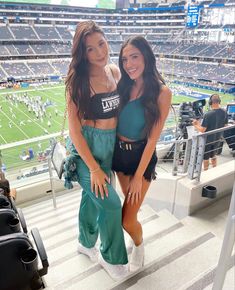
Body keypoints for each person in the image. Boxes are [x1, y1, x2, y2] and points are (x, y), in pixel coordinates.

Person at [64, 21, 128, 281]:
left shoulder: (113, 71)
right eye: (91, 49)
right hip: (85, 152)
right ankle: (111, 257)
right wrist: (92, 168)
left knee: (93, 199)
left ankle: (85, 241)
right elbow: (75, 132)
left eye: (101, 43)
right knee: (111, 204)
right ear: (83, 54)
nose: (100, 52)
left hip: (109, 145)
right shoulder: (77, 84)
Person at [112, 36, 172, 271]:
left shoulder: (162, 92)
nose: (129, 64)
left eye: (134, 56)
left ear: (146, 56)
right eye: (125, 59)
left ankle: (139, 244)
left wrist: (139, 176)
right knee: (128, 206)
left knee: (126, 218)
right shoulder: (123, 85)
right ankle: (133, 234)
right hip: (119, 155)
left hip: (141, 157)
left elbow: (153, 139)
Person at [192, 94, 228, 170]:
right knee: (214, 155)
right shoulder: (224, 112)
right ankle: (215, 170)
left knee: (206, 158)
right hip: (217, 139)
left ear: (210, 102)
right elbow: (225, 125)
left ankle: (206, 172)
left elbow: (202, 130)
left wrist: (195, 125)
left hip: (207, 141)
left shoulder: (207, 114)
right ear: (219, 101)